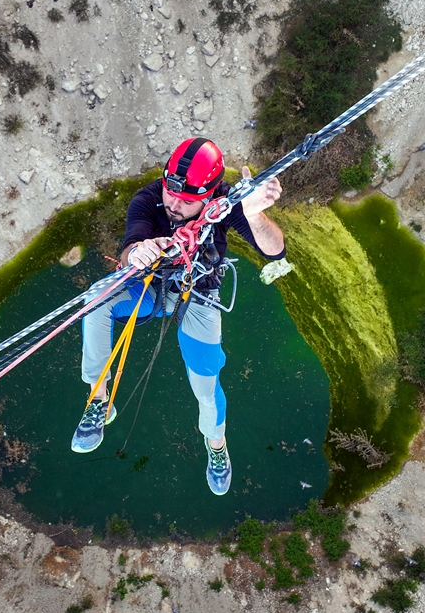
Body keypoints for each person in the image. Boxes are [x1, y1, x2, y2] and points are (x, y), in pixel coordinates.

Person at [71, 137, 285, 495]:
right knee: (95, 300)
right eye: (171, 193)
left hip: (199, 293)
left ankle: (216, 445)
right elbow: (131, 245)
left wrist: (252, 213)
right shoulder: (149, 197)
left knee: (206, 384)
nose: (173, 204)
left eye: (187, 201)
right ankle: (98, 397)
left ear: (210, 193)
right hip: (150, 284)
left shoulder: (226, 202)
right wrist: (138, 252)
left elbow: (275, 251)